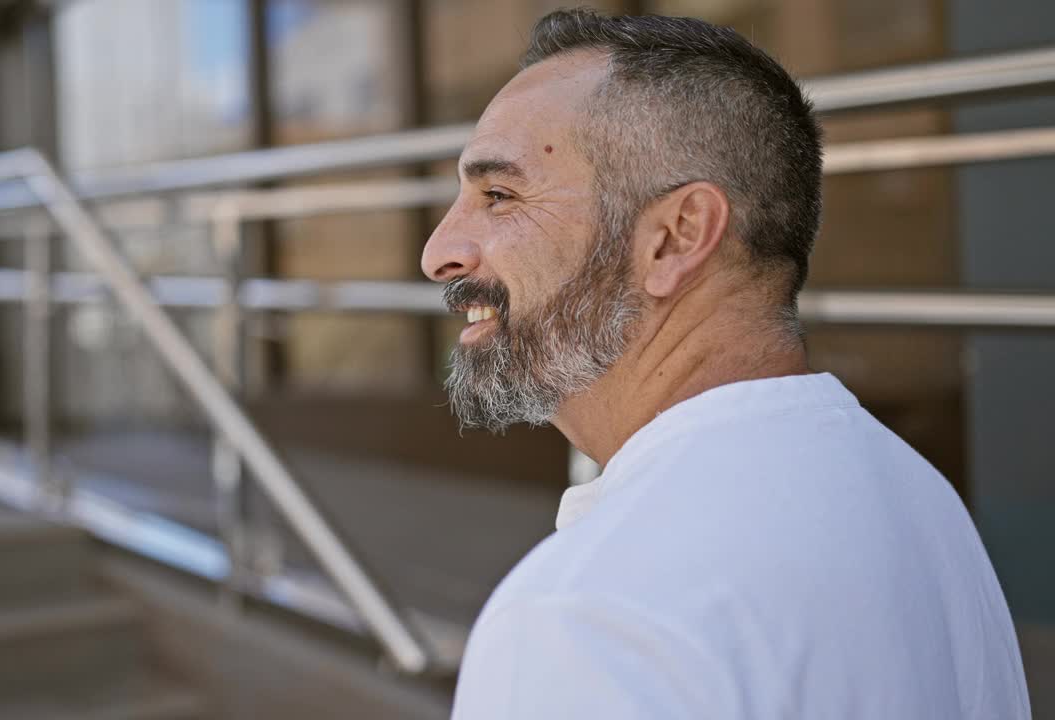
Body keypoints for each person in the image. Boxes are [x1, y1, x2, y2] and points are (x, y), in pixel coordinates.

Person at [421, 9, 1030, 719]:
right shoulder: (918, 500)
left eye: (499, 195)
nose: (439, 252)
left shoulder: (587, 618)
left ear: (675, 239)